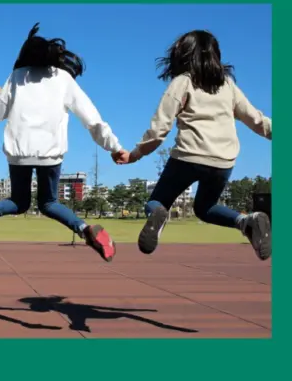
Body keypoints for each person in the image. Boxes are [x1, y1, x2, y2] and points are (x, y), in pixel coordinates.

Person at [0, 23, 125, 262]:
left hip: (18, 153)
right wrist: (114, 147)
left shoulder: (16, 77)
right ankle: (86, 230)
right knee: (49, 202)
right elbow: (92, 119)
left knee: (18, 201)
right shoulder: (63, 79)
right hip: (50, 155)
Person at [114, 30, 272, 260]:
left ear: (183, 55)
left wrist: (135, 155)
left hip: (187, 157)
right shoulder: (227, 86)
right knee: (205, 208)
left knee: (157, 201)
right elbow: (257, 121)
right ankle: (247, 221)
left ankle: (159, 214)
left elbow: (159, 130)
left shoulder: (183, 82)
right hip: (222, 162)